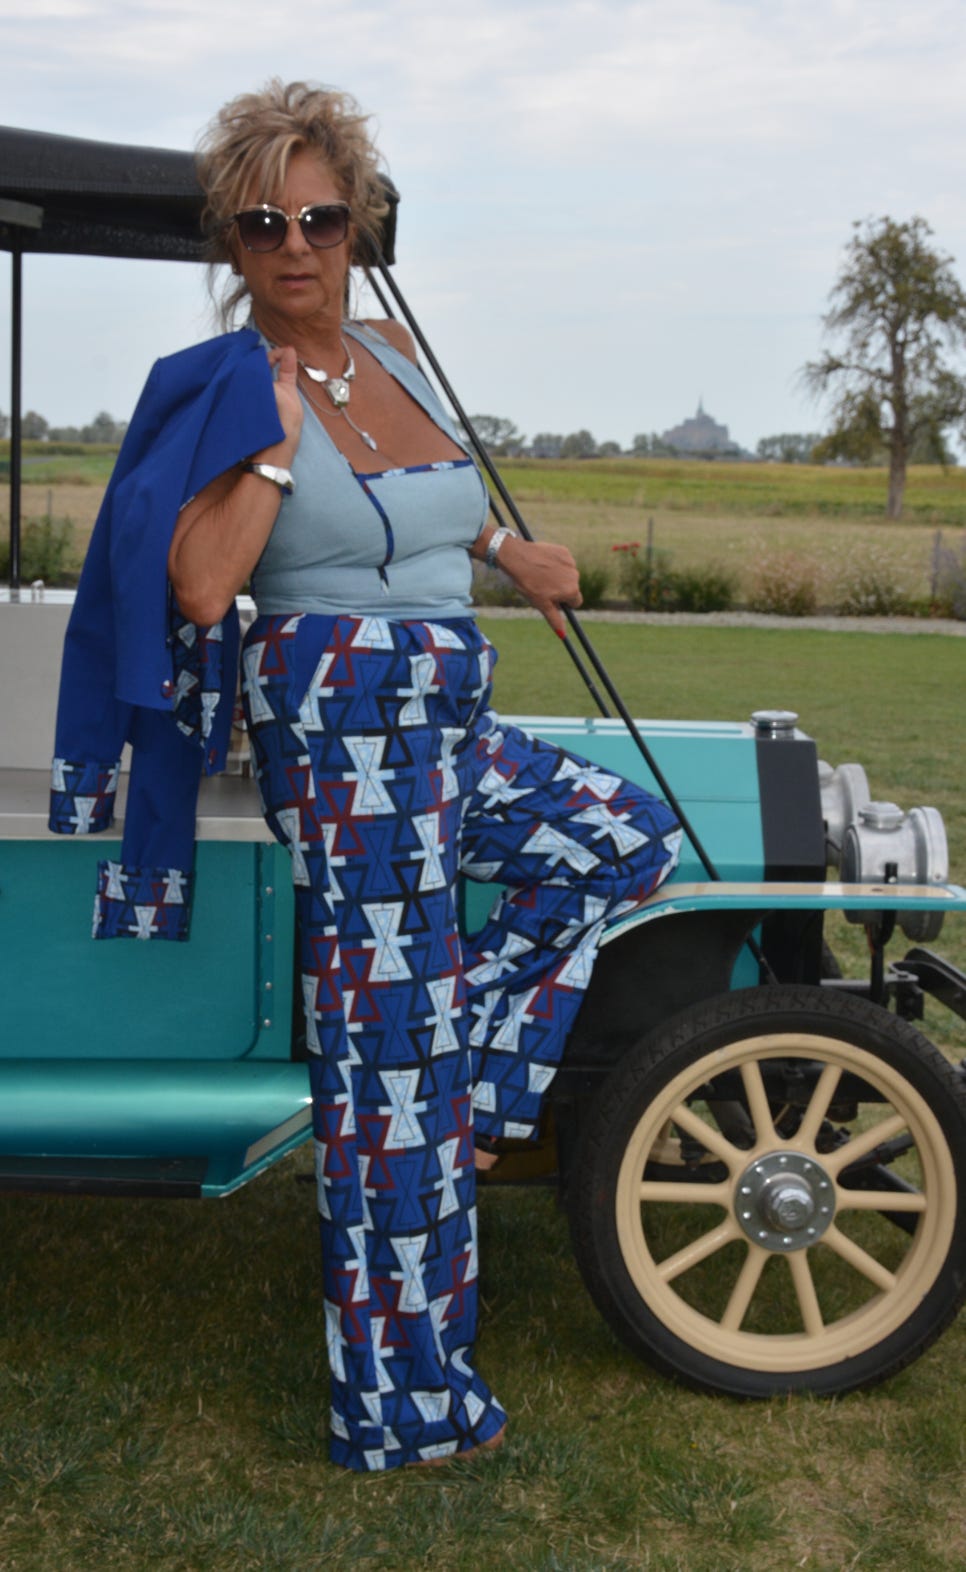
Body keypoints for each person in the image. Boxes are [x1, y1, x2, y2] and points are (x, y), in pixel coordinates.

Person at [89, 80, 682, 1472]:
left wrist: (506, 552)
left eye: (318, 217)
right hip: (343, 729)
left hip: (448, 710)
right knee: (381, 1073)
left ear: (358, 223)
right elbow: (200, 587)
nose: (293, 244)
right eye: (261, 224)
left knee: (624, 841)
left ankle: (470, 1083)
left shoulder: (399, 352)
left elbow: (436, 507)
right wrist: (272, 451)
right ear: (232, 245)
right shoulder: (232, 386)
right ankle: (402, 1410)